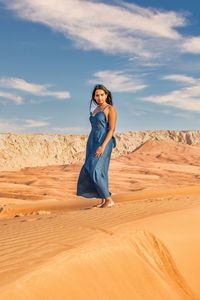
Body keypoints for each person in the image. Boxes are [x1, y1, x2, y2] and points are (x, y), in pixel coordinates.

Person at [76, 84, 117, 208]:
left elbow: (111, 129)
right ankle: (103, 199)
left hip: (103, 141)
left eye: (102, 95)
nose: (99, 98)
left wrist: (103, 146)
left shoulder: (110, 109)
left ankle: (109, 200)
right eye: (97, 95)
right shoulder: (95, 110)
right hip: (92, 142)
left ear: (106, 95)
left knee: (95, 170)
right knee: (90, 168)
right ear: (94, 97)